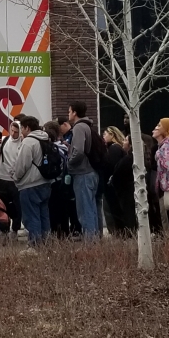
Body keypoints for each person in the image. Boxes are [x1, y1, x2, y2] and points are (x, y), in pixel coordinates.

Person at [14, 115, 53, 245]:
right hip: (46, 182)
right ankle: (47, 244)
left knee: (32, 217)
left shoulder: (28, 142)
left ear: (27, 128)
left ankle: (35, 245)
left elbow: (21, 165)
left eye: (22, 128)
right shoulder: (45, 138)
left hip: (30, 184)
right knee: (44, 216)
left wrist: (16, 177)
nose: (21, 131)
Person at [67, 101, 100, 237]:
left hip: (83, 173)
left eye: (69, 111)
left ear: (74, 113)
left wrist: (69, 162)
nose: (68, 114)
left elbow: (79, 150)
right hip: (91, 172)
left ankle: (90, 245)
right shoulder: (87, 126)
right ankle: (94, 242)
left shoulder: (79, 128)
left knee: (84, 211)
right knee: (91, 209)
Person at [0, 119, 23, 234]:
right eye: (11, 130)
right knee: (3, 204)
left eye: (16, 132)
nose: (13, 134)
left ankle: (16, 228)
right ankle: (5, 228)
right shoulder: (5, 140)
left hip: (15, 180)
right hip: (2, 178)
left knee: (17, 206)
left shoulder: (23, 143)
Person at [108, 132, 137, 234]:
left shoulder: (129, 159)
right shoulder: (128, 157)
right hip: (125, 190)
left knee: (128, 213)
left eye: (125, 140)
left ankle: (130, 232)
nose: (123, 142)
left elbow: (120, 173)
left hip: (127, 190)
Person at [101, 126, 127, 232]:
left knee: (114, 209)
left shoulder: (114, 148)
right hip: (115, 184)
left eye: (105, 134)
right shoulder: (115, 148)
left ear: (112, 135)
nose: (103, 136)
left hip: (112, 184)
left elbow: (112, 166)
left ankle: (119, 232)